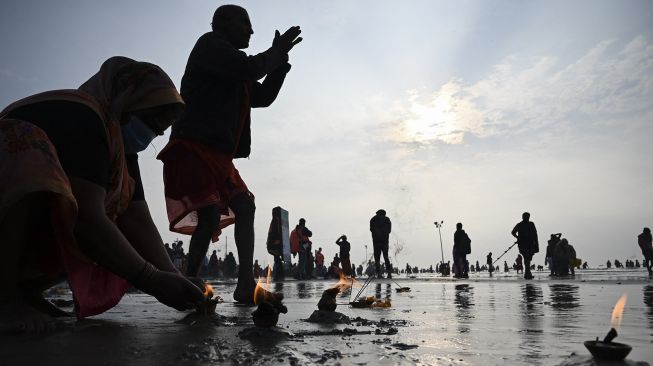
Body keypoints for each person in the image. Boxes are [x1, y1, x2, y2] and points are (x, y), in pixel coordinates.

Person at [0, 57, 205, 333]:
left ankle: (25, 292)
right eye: (152, 123)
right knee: (28, 149)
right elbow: (87, 219)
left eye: (158, 132)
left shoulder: (119, 150)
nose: (151, 136)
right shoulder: (84, 115)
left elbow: (137, 220)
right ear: (127, 101)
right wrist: (152, 280)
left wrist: (173, 276)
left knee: (110, 213)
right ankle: (5, 296)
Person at [157, 5, 301, 303]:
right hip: (193, 146)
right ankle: (190, 281)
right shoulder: (210, 46)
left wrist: (280, 64)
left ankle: (245, 284)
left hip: (219, 156)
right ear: (223, 23)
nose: (251, 30)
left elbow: (261, 98)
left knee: (245, 207)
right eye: (245, 23)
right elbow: (249, 68)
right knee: (209, 215)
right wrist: (274, 54)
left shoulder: (236, 65)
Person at [511, 212, 539, 280]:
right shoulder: (520, 224)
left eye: (528, 217)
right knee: (527, 258)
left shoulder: (531, 224)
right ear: (523, 217)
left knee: (528, 258)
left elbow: (535, 235)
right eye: (525, 216)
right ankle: (527, 273)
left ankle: (527, 273)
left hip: (530, 244)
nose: (527, 218)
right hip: (523, 244)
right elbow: (513, 232)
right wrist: (518, 237)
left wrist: (536, 245)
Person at [370, 209, 392, 278]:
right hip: (384, 241)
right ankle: (388, 273)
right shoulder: (387, 219)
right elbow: (389, 231)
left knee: (377, 258)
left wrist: (378, 232)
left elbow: (371, 229)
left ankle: (379, 274)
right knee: (385, 257)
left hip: (377, 242)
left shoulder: (373, 219)